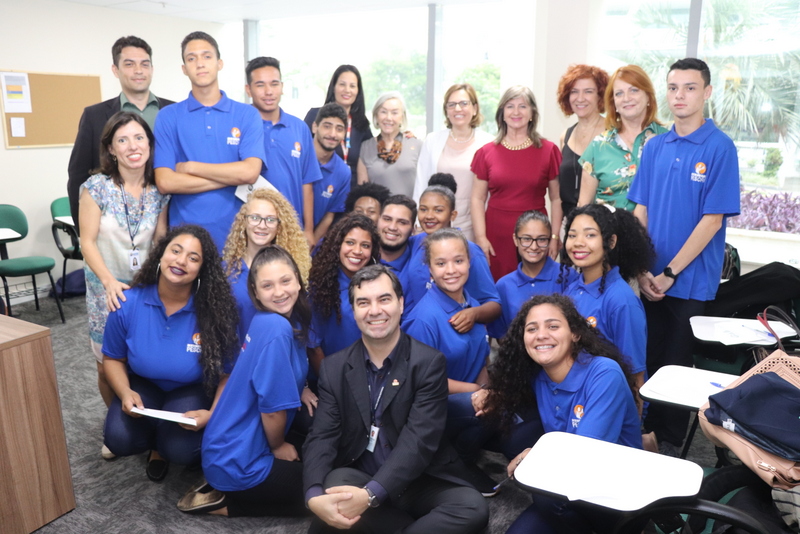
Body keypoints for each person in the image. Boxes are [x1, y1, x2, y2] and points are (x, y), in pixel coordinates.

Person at [303, 264, 489, 534]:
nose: (375, 310)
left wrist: (370, 495)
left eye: (384, 299)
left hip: (421, 479)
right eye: (363, 302)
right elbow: (321, 436)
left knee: (472, 507)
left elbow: (419, 441)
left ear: (401, 304)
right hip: (362, 474)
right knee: (333, 487)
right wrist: (313, 495)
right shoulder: (335, 367)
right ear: (354, 311)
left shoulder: (428, 363)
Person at [628, 58, 740, 456]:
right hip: (649, 276)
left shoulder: (720, 147)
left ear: (707, 93)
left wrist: (671, 272)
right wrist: (640, 268)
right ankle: (643, 432)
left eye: (690, 88)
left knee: (675, 364)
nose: (680, 95)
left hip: (688, 281)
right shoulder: (655, 145)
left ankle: (669, 441)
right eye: (673, 87)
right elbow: (639, 210)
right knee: (647, 356)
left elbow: (712, 221)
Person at [486, 294, 641, 534]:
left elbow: (584, 454)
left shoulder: (604, 373)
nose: (541, 335)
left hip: (613, 491)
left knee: (546, 496)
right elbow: (505, 389)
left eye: (553, 326)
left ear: (575, 334)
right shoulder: (540, 376)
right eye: (532, 328)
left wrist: (535, 455)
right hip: (566, 482)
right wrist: (488, 392)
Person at [177, 245, 310, 517]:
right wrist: (277, 447)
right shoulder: (277, 328)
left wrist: (302, 388)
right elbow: (272, 410)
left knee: (316, 452)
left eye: (285, 280)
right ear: (256, 293)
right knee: (320, 494)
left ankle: (226, 486)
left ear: (298, 279)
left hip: (225, 446)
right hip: (240, 461)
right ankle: (229, 502)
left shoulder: (268, 320)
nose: (280, 291)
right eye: (268, 285)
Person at [102, 225, 240, 482]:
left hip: (191, 389)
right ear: (160, 255)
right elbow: (112, 358)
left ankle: (164, 447)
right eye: (175, 251)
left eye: (193, 257)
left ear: (202, 269)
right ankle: (155, 442)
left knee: (182, 450)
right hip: (143, 385)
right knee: (119, 439)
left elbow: (228, 374)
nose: (181, 261)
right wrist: (124, 392)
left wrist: (211, 415)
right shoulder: (127, 302)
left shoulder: (215, 312)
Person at [79, 112, 169, 462]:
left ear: (149, 144)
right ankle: (118, 417)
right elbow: (87, 242)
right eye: (123, 140)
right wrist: (108, 282)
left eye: (139, 138)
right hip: (105, 287)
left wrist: (151, 283)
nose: (133, 146)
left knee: (142, 361)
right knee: (107, 364)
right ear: (111, 149)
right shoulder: (96, 187)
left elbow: (160, 242)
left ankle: (148, 421)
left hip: (145, 289)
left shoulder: (159, 190)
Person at [402, 229, 495, 495]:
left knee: (507, 398)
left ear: (469, 262)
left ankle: (464, 450)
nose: (451, 270)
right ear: (430, 269)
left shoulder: (472, 304)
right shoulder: (423, 319)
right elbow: (421, 383)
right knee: (491, 403)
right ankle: (452, 461)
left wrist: (486, 388)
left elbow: (481, 358)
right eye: (441, 263)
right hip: (429, 406)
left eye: (458, 261)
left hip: (469, 393)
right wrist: (480, 393)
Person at [154, 31, 266, 251]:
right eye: (191, 58)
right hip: (185, 239)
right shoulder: (168, 116)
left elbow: (250, 172)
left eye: (207, 56)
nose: (200, 64)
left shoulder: (247, 115)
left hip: (237, 235)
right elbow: (166, 182)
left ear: (219, 63)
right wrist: (231, 177)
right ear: (184, 68)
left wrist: (191, 167)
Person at [68, 35, 173, 231]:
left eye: (145, 64)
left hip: (168, 219)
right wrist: (83, 230)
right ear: (115, 70)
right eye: (129, 64)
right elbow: (78, 176)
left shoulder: (174, 111)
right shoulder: (95, 116)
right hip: (114, 227)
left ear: (152, 68)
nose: (139, 70)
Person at [562, 204, 653, 409]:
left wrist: (632, 432)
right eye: (572, 235)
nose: (578, 243)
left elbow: (635, 374)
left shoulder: (621, 300)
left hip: (605, 403)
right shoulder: (572, 288)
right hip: (571, 397)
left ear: (610, 242)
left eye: (590, 235)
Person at [471, 86, 563, 281]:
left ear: (532, 114)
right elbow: (477, 198)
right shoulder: (486, 152)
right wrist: (481, 238)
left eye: (523, 106)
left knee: (537, 289)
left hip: (536, 236)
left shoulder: (549, 150)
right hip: (496, 236)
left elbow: (556, 199)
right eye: (510, 106)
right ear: (502, 114)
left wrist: (554, 237)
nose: (516, 112)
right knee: (497, 293)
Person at [245, 57, 321, 247]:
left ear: (282, 86)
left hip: (290, 230)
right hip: (251, 229)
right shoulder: (241, 125)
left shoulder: (300, 128)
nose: (269, 91)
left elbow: (307, 182)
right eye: (260, 85)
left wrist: (309, 230)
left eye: (274, 84)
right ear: (249, 89)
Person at [221, 187, 310, 343]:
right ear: (244, 221)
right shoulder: (226, 270)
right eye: (255, 217)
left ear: (279, 226)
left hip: (279, 353)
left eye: (270, 219)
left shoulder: (293, 269)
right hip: (236, 361)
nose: (262, 225)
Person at [577, 65, 667, 210]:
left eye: (634, 90)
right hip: (608, 230)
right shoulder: (598, 146)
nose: (626, 98)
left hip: (656, 231)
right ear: (614, 104)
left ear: (648, 97)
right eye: (619, 93)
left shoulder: (668, 141)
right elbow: (583, 206)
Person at [405, 183, 500, 319]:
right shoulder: (416, 242)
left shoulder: (470, 250)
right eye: (423, 209)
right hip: (422, 329)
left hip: (455, 331)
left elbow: (494, 304)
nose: (429, 216)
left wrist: (473, 314)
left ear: (453, 215)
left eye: (438, 210)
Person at [413, 84, 493, 240]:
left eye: (464, 103)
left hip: (474, 225)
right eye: (452, 104)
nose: (458, 109)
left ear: (475, 108)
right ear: (446, 110)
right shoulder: (432, 140)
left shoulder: (488, 143)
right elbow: (421, 185)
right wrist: (418, 223)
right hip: (436, 225)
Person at [307, 214, 380, 376]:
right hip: (330, 380)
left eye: (365, 245)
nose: (357, 251)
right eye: (350, 242)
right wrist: (334, 387)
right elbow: (313, 347)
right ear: (337, 245)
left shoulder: (379, 284)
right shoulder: (320, 287)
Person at [488, 210, 576, 340]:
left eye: (541, 239)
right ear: (515, 240)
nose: (534, 246)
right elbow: (502, 337)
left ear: (550, 239)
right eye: (526, 239)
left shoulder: (567, 276)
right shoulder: (504, 285)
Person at [555, 65, 609, 220]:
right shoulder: (565, 136)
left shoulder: (614, 133)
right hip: (571, 226)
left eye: (588, 91)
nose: (580, 98)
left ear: (600, 95)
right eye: (574, 91)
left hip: (605, 226)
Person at [304, 65, 373, 184]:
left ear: (358, 91)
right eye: (342, 84)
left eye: (352, 86)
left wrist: (402, 136)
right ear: (333, 87)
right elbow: (302, 150)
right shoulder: (315, 115)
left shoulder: (361, 123)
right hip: (318, 185)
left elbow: (374, 150)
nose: (347, 90)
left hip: (351, 191)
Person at [357, 92, 422, 198]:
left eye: (394, 113)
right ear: (376, 115)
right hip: (378, 213)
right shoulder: (366, 147)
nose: (388, 118)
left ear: (402, 117)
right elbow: (362, 193)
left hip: (409, 212)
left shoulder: (417, 145)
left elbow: (425, 185)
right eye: (383, 112)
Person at [311, 103, 351, 241]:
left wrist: (310, 245)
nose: (332, 134)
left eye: (339, 129)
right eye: (327, 126)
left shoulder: (343, 172)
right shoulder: (296, 156)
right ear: (315, 127)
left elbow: (329, 216)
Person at [376, 195, 416, 289]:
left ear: (413, 229)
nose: (392, 227)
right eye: (387, 219)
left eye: (402, 222)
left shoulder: (417, 262)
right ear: (378, 221)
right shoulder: (362, 256)